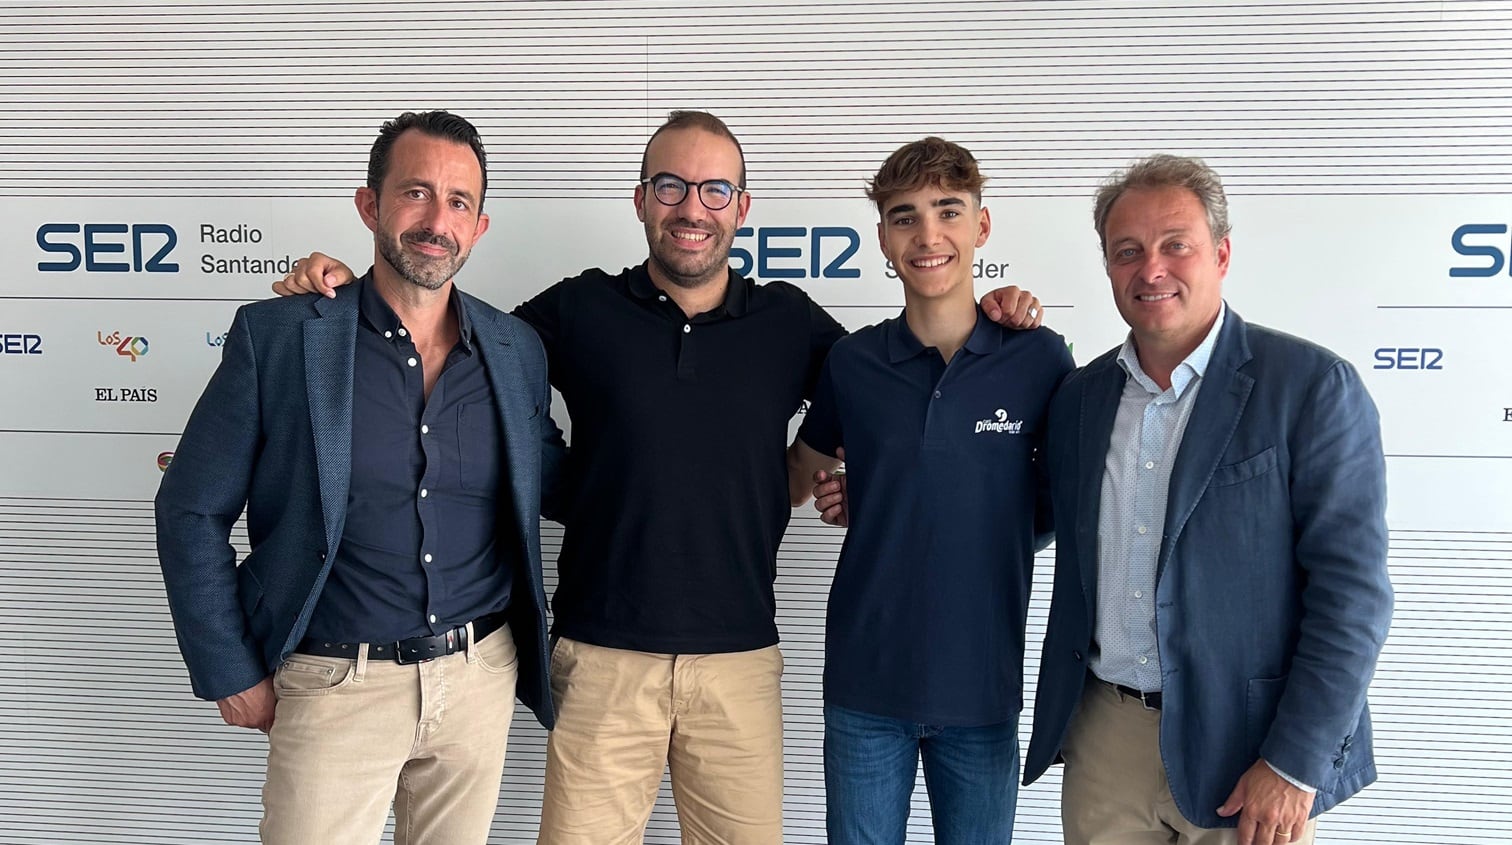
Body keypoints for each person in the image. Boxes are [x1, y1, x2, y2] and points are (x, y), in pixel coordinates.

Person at [277, 111, 1044, 844]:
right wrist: (352, 285)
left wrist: (993, 318)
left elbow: (896, 393)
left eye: (715, 190)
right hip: (601, 655)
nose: (692, 208)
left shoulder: (788, 320)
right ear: (643, 200)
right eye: (671, 186)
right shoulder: (582, 308)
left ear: (742, 207)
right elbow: (451, 341)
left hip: (739, 662)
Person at [154, 110, 566, 845]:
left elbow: (553, 479)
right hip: (335, 683)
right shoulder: (281, 337)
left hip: (478, 680)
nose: (437, 219)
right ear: (369, 205)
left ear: (479, 226)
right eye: (416, 193)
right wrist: (228, 667)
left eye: (459, 202)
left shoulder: (514, 349)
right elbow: (189, 507)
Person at [1019, 154, 1393, 845]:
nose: (1150, 269)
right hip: (1105, 738)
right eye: (1126, 251)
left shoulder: (1311, 387)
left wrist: (1294, 762)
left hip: (1248, 749)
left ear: (1221, 253)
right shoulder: (1078, 398)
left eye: (1175, 245)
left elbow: (1354, 594)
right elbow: (1032, 518)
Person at [788, 137, 1073, 844]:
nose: (928, 234)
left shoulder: (1039, 357)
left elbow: (1051, 507)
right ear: (883, 237)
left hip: (982, 689)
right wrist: (875, 498)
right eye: (905, 216)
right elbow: (799, 475)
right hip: (864, 686)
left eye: (949, 210)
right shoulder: (852, 362)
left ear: (981, 226)